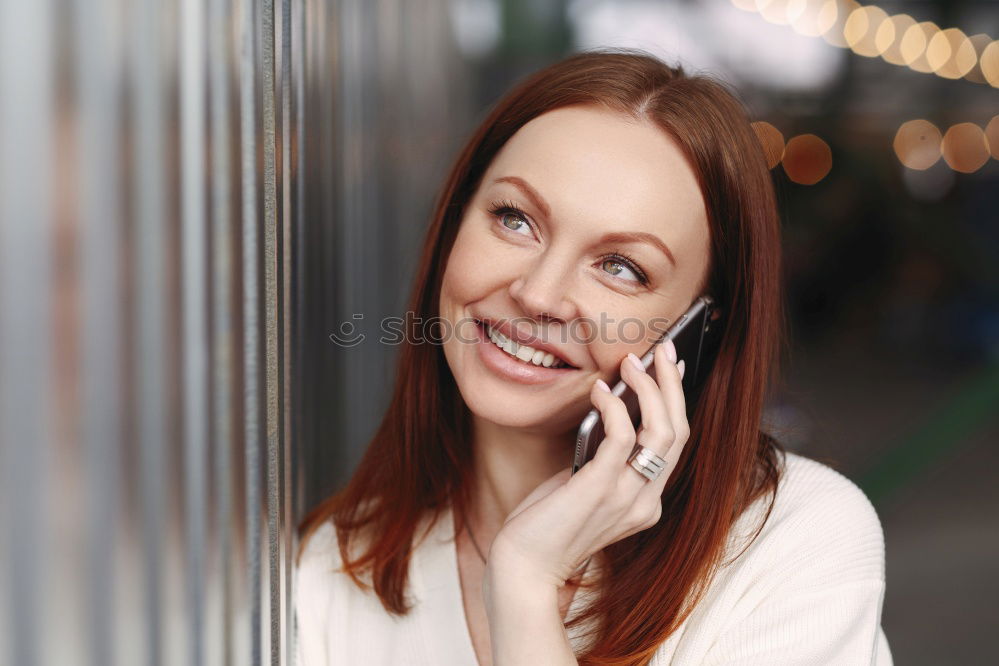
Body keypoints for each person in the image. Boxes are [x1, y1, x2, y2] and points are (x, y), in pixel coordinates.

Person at [295, 48, 892, 665]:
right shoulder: (333, 572)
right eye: (514, 219)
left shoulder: (796, 543)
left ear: (696, 328)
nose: (538, 295)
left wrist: (525, 583)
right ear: (453, 223)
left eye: (621, 267)